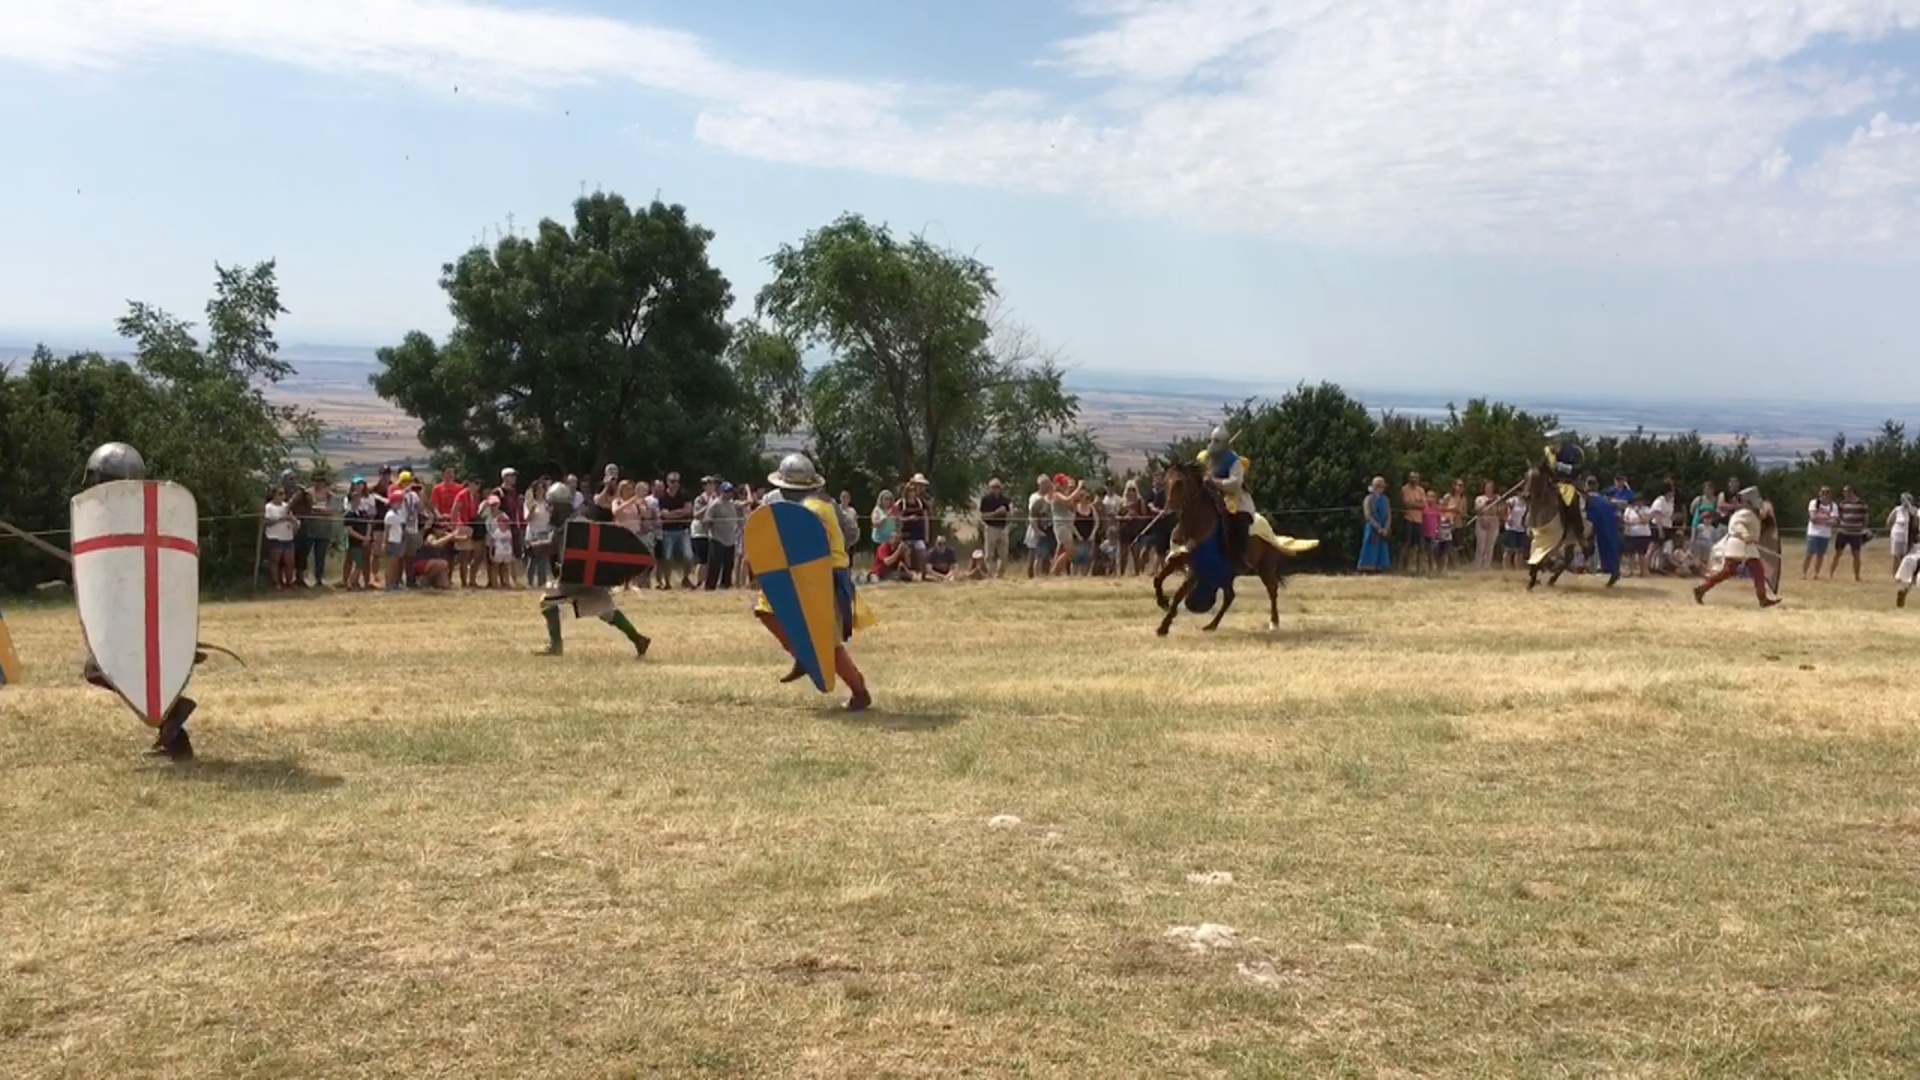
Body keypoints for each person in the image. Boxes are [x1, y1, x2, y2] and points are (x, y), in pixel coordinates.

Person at [75, 442, 206, 761]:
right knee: (110, 671)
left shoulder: (139, 510)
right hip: (135, 612)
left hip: (141, 615)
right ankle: (173, 728)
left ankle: (172, 717)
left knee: (103, 669)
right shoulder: (126, 511)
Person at [754, 453, 873, 712]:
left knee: (827, 643)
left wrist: (830, 551)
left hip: (823, 577)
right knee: (765, 610)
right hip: (791, 575)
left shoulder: (822, 506)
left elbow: (850, 534)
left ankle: (859, 691)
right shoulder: (775, 502)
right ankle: (804, 656)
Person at [533, 483, 653, 659]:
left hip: (577, 580)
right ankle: (639, 639)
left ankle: (555, 646)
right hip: (590, 579)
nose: (549, 510)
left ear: (560, 506)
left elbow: (553, 546)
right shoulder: (579, 522)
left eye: (551, 505)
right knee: (607, 612)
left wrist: (532, 548)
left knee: (547, 601)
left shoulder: (572, 526)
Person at [1694, 486, 1779, 608]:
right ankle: (1701, 589)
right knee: (1728, 571)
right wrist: (1745, 534)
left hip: (1748, 546)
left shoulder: (1751, 513)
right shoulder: (1742, 513)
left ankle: (1763, 598)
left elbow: (1760, 523)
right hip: (1739, 544)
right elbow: (1736, 525)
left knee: (1757, 571)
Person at [1199, 426, 1253, 569]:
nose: (1213, 444)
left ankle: (1239, 555)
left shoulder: (1235, 462)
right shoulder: (1206, 458)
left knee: (1239, 520)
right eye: (1212, 441)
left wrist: (1215, 482)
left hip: (1233, 499)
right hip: (1210, 497)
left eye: (1217, 441)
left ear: (1224, 444)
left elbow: (1234, 484)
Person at [1358, 476, 1391, 573]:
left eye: (1382, 486)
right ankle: (1367, 568)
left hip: (1383, 529)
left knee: (1382, 549)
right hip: (1372, 528)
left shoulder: (1386, 499)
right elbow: (1368, 516)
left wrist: (1386, 528)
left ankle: (1381, 567)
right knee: (1370, 548)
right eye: (1378, 486)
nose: (1380, 488)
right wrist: (1378, 528)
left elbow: (1388, 515)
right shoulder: (1368, 499)